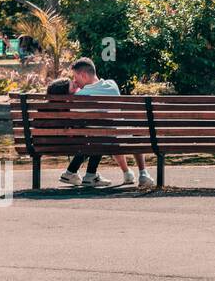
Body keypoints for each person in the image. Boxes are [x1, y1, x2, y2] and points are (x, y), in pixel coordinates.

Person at [69, 57, 155, 188]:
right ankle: (143, 173)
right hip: (120, 137)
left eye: (75, 77)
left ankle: (127, 172)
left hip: (100, 141)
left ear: (83, 75)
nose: (75, 81)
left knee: (107, 133)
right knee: (128, 132)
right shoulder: (112, 85)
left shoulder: (81, 95)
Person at [53, 78, 111, 188]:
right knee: (98, 138)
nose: (75, 83)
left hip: (49, 145)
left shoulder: (51, 107)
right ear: (65, 92)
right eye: (72, 85)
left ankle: (70, 172)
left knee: (90, 140)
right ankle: (90, 175)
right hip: (76, 144)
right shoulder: (75, 104)